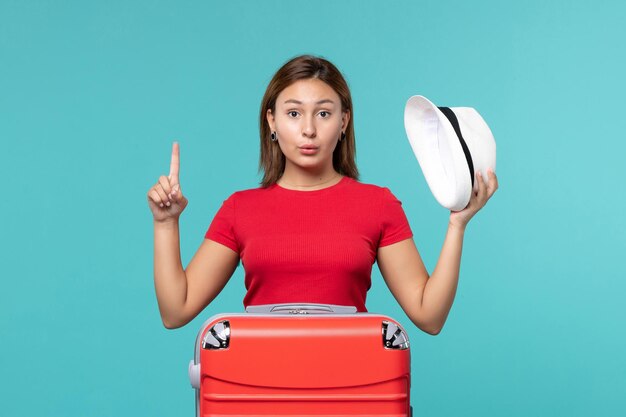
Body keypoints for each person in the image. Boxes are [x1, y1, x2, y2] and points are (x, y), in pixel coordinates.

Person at [147, 55, 498, 334]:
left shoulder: (378, 205)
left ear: (344, 121)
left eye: (324, 113)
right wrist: (165, 224)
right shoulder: (240, 209)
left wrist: (457, 225)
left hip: (351, 389)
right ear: (272, 121)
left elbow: (428, 316)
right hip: (260, 389)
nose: (309, 129)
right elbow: (176, 310)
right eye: (294, 113)